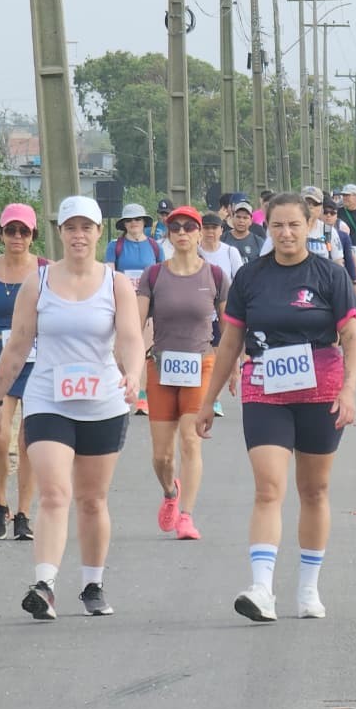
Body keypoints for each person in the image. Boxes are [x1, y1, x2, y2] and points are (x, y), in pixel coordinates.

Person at [195, 192, 356, 622]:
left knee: (314, 490)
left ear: (309, 226)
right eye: (276, 226)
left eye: (293, 225)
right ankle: (262, 588)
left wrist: (348, 390)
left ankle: (308, 589)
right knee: (269, 487)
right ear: (264, 228)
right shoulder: (251, 278)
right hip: (265, 389)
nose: (285, 233)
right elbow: (230, 341)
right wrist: (208, 400)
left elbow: (351, 338)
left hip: (320, 390)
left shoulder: (330, 275)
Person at [0, 195, 145, 620]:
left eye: (86, 228)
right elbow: (17, 343)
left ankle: (92, 584)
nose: (78, 235)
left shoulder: (115, 284)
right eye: (71, 228)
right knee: (55, 492)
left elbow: (130, 337)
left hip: (102, 402)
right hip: (48, 399)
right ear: (60, 233)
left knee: (92, 499)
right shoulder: (38, 282)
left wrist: (133, 375)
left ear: (98, 233)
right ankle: (45, 584)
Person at [137, 206, 230, 541]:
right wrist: (132, 367)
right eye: (175, 228)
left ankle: (187, 516)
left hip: (201, 364)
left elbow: (230, 329)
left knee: (190, 441)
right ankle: (170, 493)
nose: (182, 233)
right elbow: (137, 326)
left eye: (189, 227)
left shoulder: (216, 276)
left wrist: (232, 368)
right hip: (161, 365)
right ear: (168, 234)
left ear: (199, 232)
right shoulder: (153, 275)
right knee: (161, 455)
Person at [0, 203, 46, 542]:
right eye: (10, 231)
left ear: (33, 235)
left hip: (38, 360)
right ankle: (0, 504)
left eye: (24, 231)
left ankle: (24, 513)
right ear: (0, 234)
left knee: (28, 439)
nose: (17, 237)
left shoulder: (46, 270)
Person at [106, 202, 163, 415]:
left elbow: (161, 273)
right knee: (120, 353)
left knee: (145, 351)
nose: (133, 224)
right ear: (124, 224)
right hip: (122, 303)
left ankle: (142, 397)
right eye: (129, 220)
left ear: (144, 222)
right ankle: (125, 386)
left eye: (137, 220)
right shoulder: (115, 246)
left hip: (148, 304)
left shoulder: (155, 246)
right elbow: (110, 274)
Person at [198, 212, 244, 418]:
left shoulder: (230, 252)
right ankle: (203, 397)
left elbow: (240, 280)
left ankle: (214, 398)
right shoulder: (195, 251)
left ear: (221, 230)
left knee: (218, 355)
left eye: (214, 228)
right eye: (205, 228)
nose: (210, 232)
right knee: (201, 356)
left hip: (224, 310)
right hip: (199, 311)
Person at [222, 198, 265, 266]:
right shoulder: (223, 239)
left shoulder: (259, 242)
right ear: (233, 218)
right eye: (238, 217)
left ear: (251, 221)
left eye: (245, 218)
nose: (241, 221)